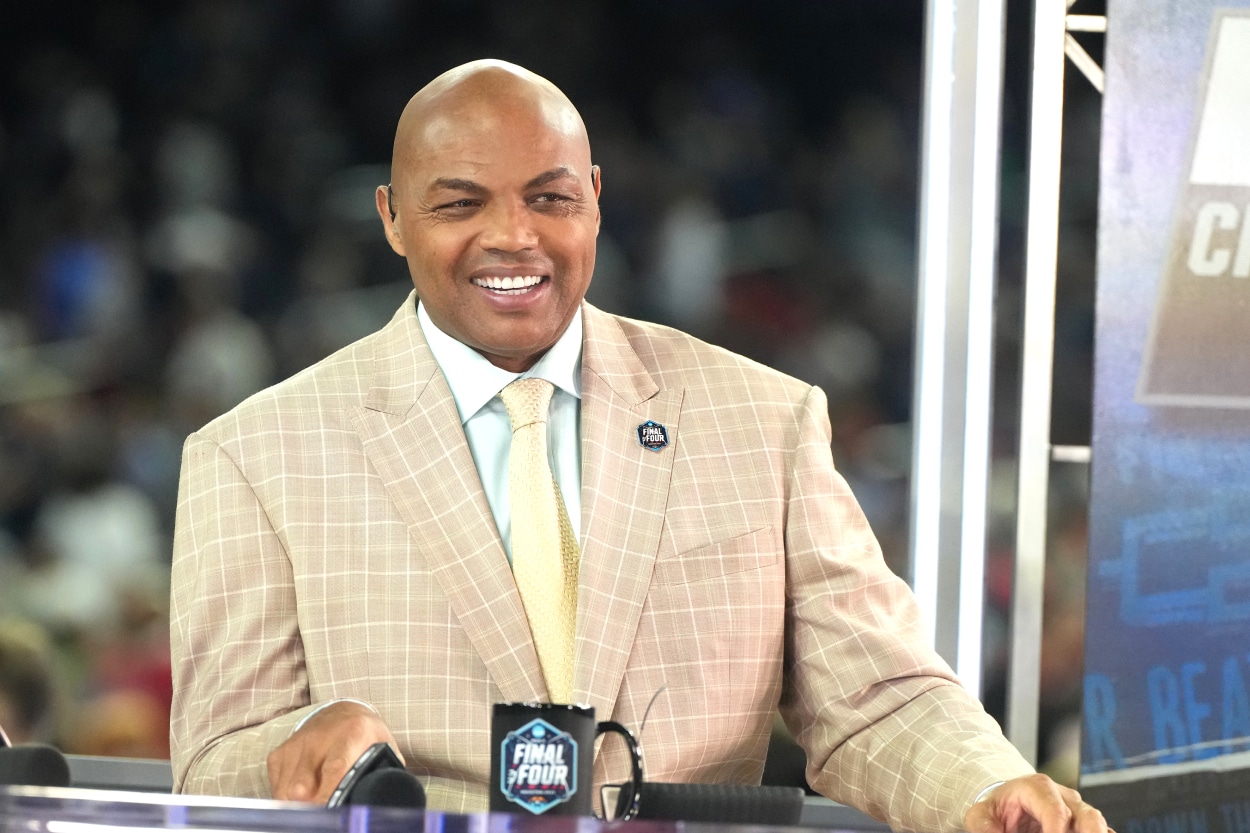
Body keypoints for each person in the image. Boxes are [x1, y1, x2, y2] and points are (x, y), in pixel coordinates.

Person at [169, 60, 1107, 833]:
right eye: (460, 205)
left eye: (550, 197)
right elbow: (214, 762)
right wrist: (304, 740)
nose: (513, 236)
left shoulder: (762, 420)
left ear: (597, 200)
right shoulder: (256, 455)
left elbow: (878, 695)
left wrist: (984, 787)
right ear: (390, 217)